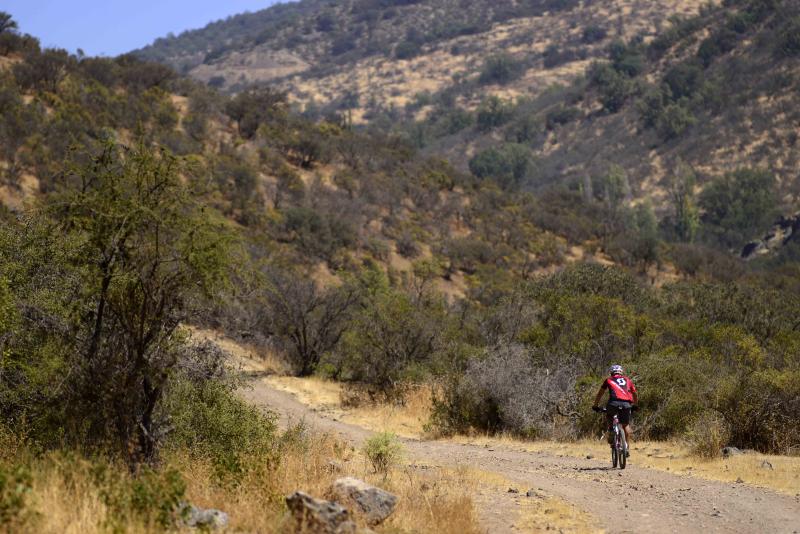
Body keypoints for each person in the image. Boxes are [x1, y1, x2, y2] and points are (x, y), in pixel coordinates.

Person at [592, 364, 637, 457]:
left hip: (613, 403)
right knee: (625, 425)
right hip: (626, 404)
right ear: (621, 372)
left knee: (609, 415)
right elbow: (634, 393)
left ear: (611, 372)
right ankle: (626, 447)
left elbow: (600, 393)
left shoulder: (608, 380)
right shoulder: (627, 380)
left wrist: (595, 405)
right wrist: (635, 405)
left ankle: (612, 430)